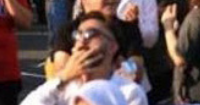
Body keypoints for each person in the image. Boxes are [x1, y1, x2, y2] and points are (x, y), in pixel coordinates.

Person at [19, 12, 148, 105]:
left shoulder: (128, 92)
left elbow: (135, 67)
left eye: (90, 34)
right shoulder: (62, 88)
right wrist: (63, 77)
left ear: (112, 46)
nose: (82, 41)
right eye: (78, 35)